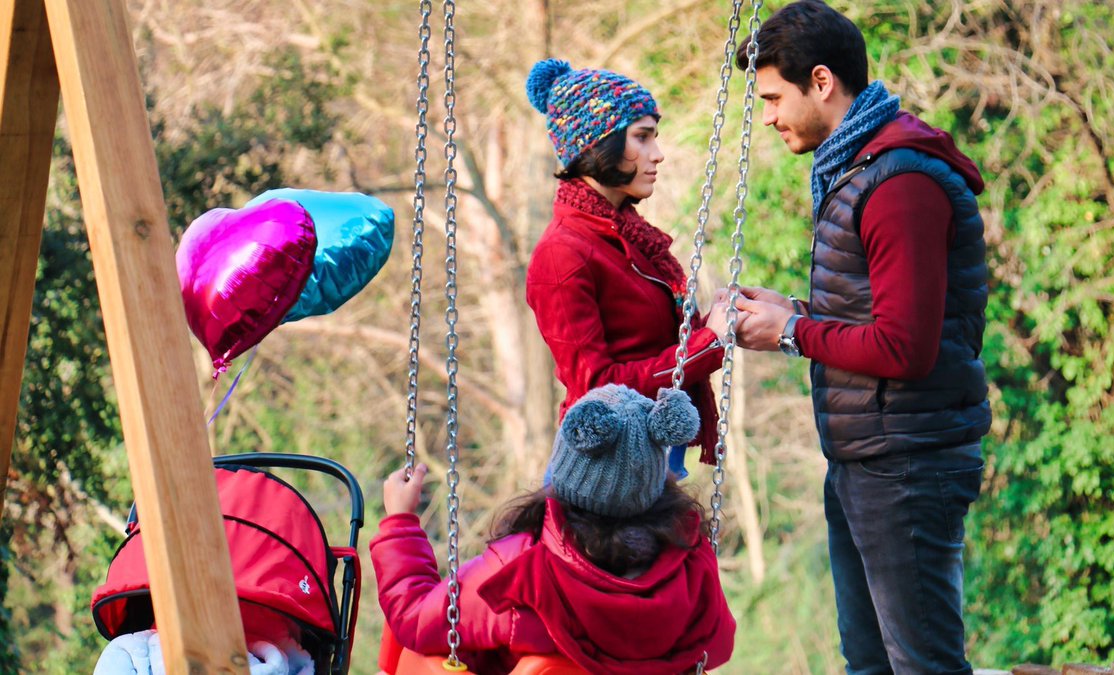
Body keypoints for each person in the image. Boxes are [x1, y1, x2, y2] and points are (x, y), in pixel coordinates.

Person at [728, 2, 991, 673]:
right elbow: (876, 313)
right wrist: (794, 309)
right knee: (868, 666)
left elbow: (905, 348)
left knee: (920, 666)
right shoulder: (856, 169)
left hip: (906, 462)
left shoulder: (899, 182)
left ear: (821, 82)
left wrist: (792, 332)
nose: (767, 117)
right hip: (868, 457)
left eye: (772, 97)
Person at [371, 385, 736, 675]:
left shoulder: (522, 574)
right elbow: (720, 644)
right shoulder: (690, 570)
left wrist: (401, 521)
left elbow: (415, 617)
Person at [523, 58, 731, 479]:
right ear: (597, 144)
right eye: (642, 138)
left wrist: (722, 319)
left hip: (648, 458)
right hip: (602, 474)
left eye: (655, 137)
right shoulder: (563, 253)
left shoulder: (628, 237)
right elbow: (598, 389)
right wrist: (711, 343)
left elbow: (647, 346)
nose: (658, 154)